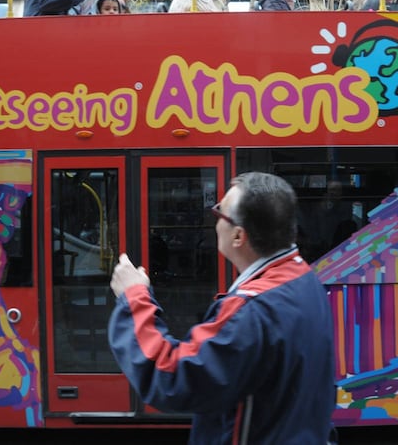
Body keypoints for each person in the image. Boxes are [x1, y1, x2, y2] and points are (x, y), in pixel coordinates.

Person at [108, 172, 336, 444]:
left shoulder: (251, 309)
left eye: (219, 212)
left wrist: (133, 296)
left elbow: (171, 379)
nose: (214, 218)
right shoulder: (304, 279)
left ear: (238, 235)